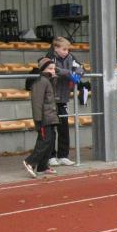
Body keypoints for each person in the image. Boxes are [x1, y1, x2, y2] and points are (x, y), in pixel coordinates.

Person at [46, 37, 83, 166]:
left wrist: (76, 75)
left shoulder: (70, 57)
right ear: (56, 48)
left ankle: (63, 155)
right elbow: (53, 69)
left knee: (64, 128)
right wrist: (69, 73)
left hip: (63, 98)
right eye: (64, 49)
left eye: (68, 49)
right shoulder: (50, 57)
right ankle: (50, 156)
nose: (66, 52)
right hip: (51, 99)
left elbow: (80, 68)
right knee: (51, 129)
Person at [23, 57, 60, 178]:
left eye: (54, 68)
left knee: (50, 140)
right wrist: (38, 119)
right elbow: (37, 102)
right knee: (44, 141)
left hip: (50, 116)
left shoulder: (49, 80)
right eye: (50, 68)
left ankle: (42, 166)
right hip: (44, 118)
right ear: (43, 69)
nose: (53, 71)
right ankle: (30, 162)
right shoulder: (41, 81)